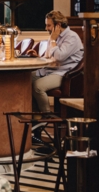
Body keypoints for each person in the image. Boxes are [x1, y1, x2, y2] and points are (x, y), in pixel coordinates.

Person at [30, 11, 83, 139]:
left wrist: (52, 41)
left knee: (38, 86)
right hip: (53, 70)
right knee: (26, 78)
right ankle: (35, 119)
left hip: (66, 74)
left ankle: (47, 117)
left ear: (58, 25)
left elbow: (59, 57)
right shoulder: (55, 37)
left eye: (48, 25)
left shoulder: (72, 37)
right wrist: (39, 57)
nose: (46, 28)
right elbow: (50, 56)